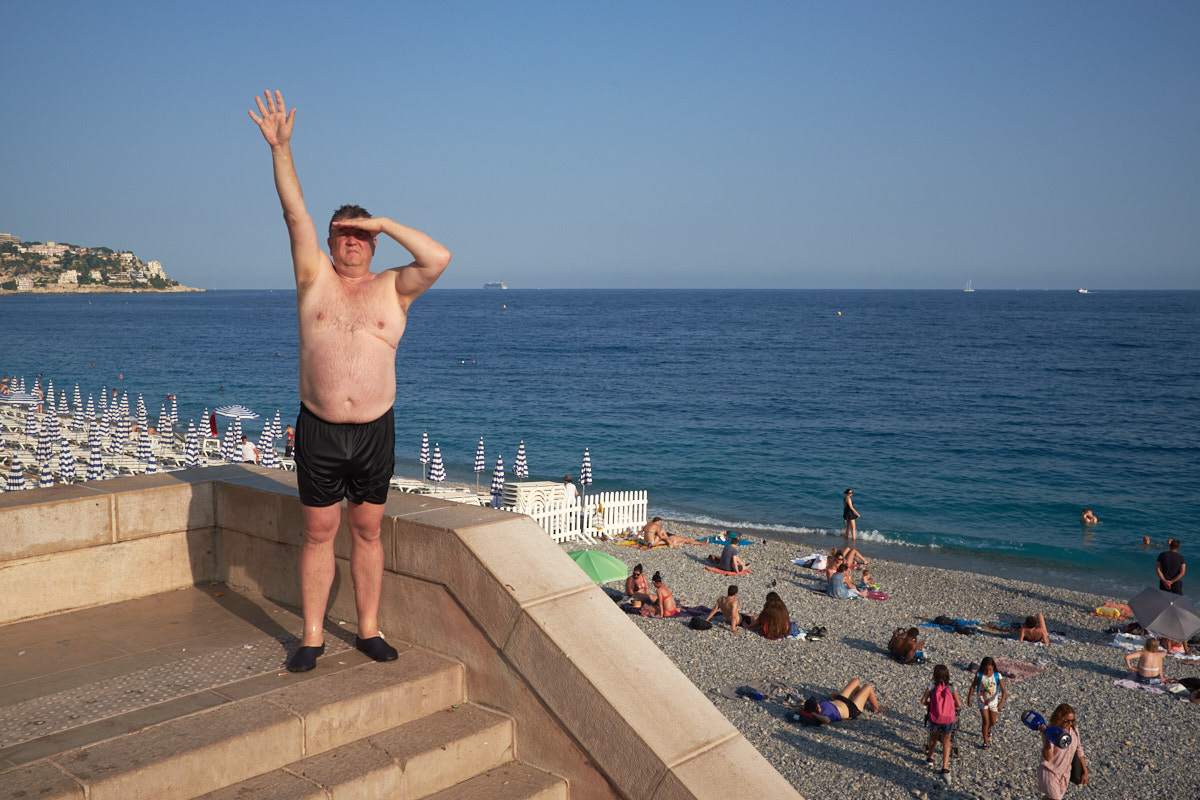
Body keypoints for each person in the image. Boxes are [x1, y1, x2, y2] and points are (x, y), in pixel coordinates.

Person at [249, 90, 451, 673]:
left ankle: (368, 630)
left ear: (374, 242)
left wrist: (382, 220)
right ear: (332, 242)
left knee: (367, 531)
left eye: (362, 234)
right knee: (318, 532)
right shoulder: (313, 276)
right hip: (319, 428)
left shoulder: (394, 287)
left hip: (373, 430)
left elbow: (438, 258)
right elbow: (295, 214)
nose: (352, 241)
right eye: (343, 233)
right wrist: (281, 148)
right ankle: (311, 637)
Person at [1036, 703, 1087, 800]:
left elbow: (1079, 750)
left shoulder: (1074, 730)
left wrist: (1085, 771)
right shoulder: (1051, 731)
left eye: (1072, 720)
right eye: (1066, 720)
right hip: (1050, 772)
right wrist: (1046, 738)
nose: (1069, 723)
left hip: (1065, 773)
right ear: (1059, 718)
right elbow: (1048, 757)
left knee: (1049, 798)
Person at [922, 663, 962, 777]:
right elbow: (959, 704)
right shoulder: (952, 687)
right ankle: (945, 767)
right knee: (947, 741)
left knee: (933, 737)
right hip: (948, 719)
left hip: (935, 717)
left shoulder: (932, 685)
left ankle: (930, 758)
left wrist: (932, 705)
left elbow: (923, 701)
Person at [801, 678, 888, 723]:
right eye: (817, 706)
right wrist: (814, 714)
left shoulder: (818, 707)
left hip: (840, 699)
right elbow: (826, 720)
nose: (818, 705)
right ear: (815, 710)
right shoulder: (825, 715)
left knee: (856, 681)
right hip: (852, 709)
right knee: (868, 687)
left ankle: (863, 700)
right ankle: (876, 708)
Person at [968, 656, 1007, 748]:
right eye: (986, 670)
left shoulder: (997, 676)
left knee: (992, 721)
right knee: (985, 721)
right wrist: (969, 698)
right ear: (983, 668)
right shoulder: (979, 675)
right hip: (982, 700)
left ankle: (989, 729)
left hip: (993, 701)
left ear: (993, 668)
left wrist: (1001, 702)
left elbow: (1004, 690)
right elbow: (973, 686)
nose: (988, 672)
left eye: (990, 670)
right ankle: (985, 742)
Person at [639, 517, 704, 548]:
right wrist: (668, 538)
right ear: (656, 521)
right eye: (659, 522)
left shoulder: (649, 526)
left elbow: (642, 532)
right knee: (685, 539)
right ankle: (700, 543)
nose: (659, 524)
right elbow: (661, 536)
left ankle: (700, 543)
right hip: (668, 538)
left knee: (684, 539)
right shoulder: (656, 529)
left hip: (663, 538)